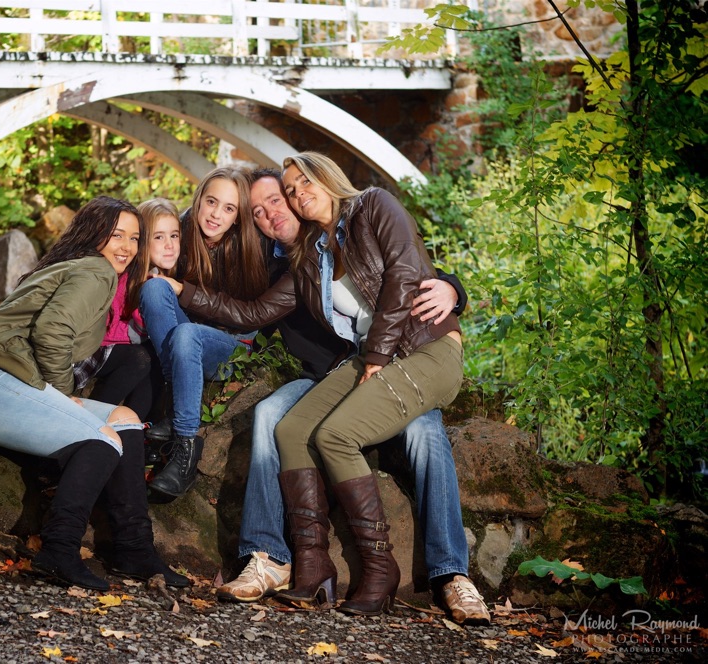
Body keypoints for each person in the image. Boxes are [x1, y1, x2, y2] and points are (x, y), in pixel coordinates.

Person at [163, 167, 488, 624]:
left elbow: (403, 266)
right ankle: (280, 557)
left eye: (280, 198)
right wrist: (176, 285)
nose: (273, 211)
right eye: (256, 211)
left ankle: (451, 573)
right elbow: (246, 306)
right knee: (275, 420)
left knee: (425, 434)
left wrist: (455, 288)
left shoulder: (357, 220)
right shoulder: (289, 260)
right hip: (333, 373)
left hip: (395, 359)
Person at [0, 196, 188, 592]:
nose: (127, 247)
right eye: (117, 235)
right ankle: (58, 551)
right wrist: (62, 396)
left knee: (125, 421)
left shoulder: (88, 268)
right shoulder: (96, 272)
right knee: (102, 438)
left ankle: (134, 548)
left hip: (7, 384)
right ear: (94, 234)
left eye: (134, 238)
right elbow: (52, 333)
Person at [273, 151, 464, 616]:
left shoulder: (374, 204)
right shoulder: (315, 253)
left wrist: (378, 354)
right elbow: (254, 311)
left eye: (304, 182)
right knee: (291, 430)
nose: (298, 195)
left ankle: (381, 569)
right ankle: (313, 565)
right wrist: (181, 292)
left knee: (336, 436)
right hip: (372, 357)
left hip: (426, 350)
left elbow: (403, 272)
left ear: (327, 175)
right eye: (291, 190)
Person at [139, 167, 270, 498]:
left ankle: (185, 449)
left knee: (188, 335)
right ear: (199, 200)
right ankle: (173, 406)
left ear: (238, 216)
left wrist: (183, 290)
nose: (216, 214)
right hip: (184, 341)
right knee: (154, 290)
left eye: (228, 208)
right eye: (211, 202)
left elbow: (246, 315)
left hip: (229, 346)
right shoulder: (180, 229)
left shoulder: (249, 246)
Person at [73, 198, 182, 422]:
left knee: (152, 355)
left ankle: (143, 425)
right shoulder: (124, 275)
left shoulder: (158, 275)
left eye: (174, 235)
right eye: (159, 237)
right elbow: (107, 331)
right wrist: (145, 324)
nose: (169, 244)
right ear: (142, 243)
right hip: (89, 349)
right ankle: (96, 417)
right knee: (145, 355)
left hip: (115, 349)